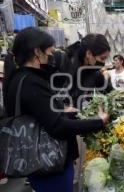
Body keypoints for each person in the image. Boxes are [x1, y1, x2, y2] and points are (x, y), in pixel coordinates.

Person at [3, 27, 109, 192]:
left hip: (40, 161)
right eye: (49, 52)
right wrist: (98, 122)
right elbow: (58, 127)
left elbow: (41, 112)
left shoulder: (20, 78)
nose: (52, 56)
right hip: (49, 163)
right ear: (37, 52)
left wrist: (62, 108)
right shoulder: (32, 83)